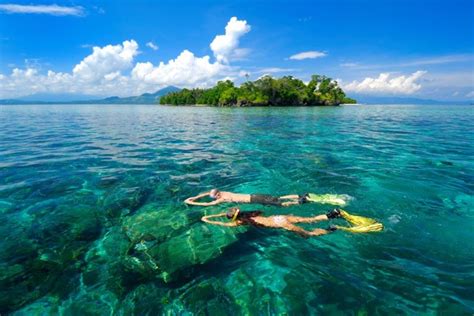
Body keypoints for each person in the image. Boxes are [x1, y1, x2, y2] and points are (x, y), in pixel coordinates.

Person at [202, 208, 384, 237]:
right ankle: (333, 214)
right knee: (310, 219)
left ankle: (333, 228)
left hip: (281, 224)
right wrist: (223, 212)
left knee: (308, 235)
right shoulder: (253, 213)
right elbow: (234, 214)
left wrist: (207, 218)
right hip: (281, 217)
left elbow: (223, 224)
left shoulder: (241, 223)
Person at [185, 189, 341, 207]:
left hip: (255, 200)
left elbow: (207, 205)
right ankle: (299, 195)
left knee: (280, 204)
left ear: (217, 196)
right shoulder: (224, 192)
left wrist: (191, 202)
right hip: (255, 194)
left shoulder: (222, 199)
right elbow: (208, 192)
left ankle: (300, 201)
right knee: (277, 196)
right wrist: (197, 196)